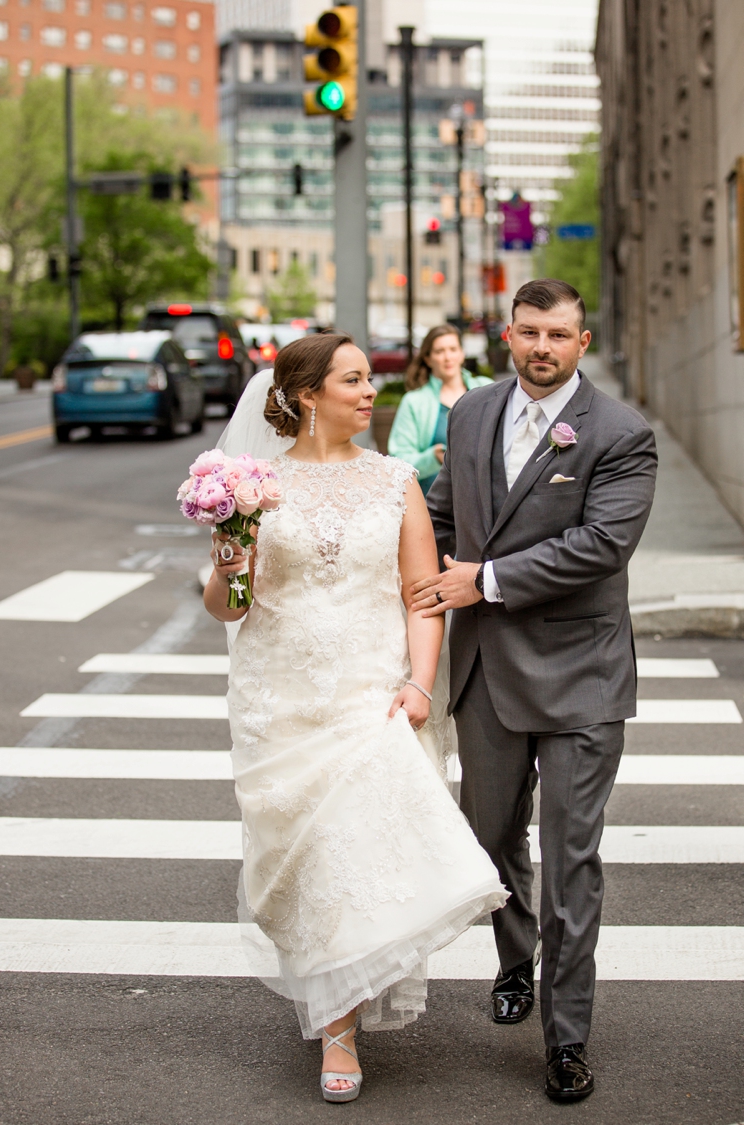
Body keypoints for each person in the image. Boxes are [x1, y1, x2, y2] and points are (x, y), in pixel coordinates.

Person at [207, 334, 508, 1104]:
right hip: (281, 694)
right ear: (308, 395)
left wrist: (420, 681)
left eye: (369, 379)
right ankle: (337, 997)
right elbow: (229, 607)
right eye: (352, 380)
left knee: (355, 844)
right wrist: (230, 565)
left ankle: (338, 1024)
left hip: (372, 689)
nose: (369, 390)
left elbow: (421, 592)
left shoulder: (396, 480)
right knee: (307, 860)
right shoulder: (253, 484)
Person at [414, 278, 657, 1103]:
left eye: (558, 334)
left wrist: (482, 579)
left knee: (572, 857)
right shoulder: (472, 412)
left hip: (581, 674)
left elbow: (600, 545)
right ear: (507, 337)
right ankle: (515, 957)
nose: (542, 347)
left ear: (582, 341)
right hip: (487, 672)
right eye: (528, 332)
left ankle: (567, 1033)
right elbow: (444, 521)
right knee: (489, 839)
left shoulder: (622, 433)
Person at [387, 324, 492, 493]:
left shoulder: (487, 389)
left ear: (462, 353)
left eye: (453, 349)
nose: (447, 357)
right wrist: (431, 458)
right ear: (428, 359)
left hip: (482, 498)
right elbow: (399, 460)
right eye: (439, 351)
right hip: (434, 503)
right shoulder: (414, 402)